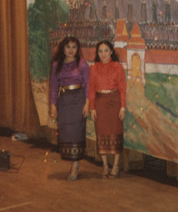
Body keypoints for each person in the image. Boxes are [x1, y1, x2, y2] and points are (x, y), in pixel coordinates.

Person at [49, 36, 90, 181]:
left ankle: (75, 164)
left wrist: (87, 103)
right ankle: (74, 162)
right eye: (68, 47)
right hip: (64, 101)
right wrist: (53, 104)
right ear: (63, 49)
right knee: (66, 131)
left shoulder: (82, 64)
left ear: (78, 49)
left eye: (74, 47)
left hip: (78, 100)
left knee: (76, 131)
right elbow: (54, 86)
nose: (71, 50)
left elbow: (88, 85)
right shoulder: (56, 65)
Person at [89, 40, 127, 178]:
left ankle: (116, 165)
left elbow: (123, 88)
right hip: (100, 102)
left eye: (106, 50)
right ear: (97, 53)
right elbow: (91, 89)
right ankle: (105, 165)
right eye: (100, 51)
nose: (103, 54)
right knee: (101, 133)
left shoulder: (118, 67)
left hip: (115, 101)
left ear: (111, 51)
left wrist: (123, 107)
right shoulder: (94, 68)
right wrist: (92, 108)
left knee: (116, 132)